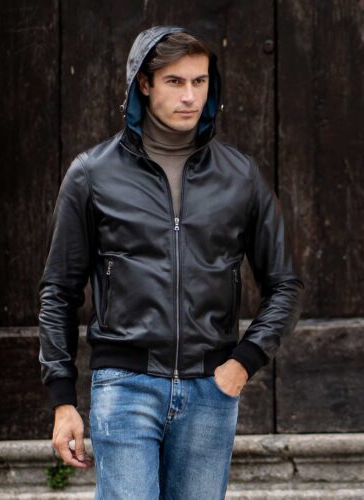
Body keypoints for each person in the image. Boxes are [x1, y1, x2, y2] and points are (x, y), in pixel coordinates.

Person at [38, 25, 304, 499]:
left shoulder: (239, 175)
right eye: (175, 82)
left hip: (210, 391)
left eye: (199, 82)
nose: (190, 96)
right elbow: (58, 290)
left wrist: (243, 363)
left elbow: (286, 284)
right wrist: (62, 399)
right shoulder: (93, 174)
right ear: (144, 83)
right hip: (125, 386)